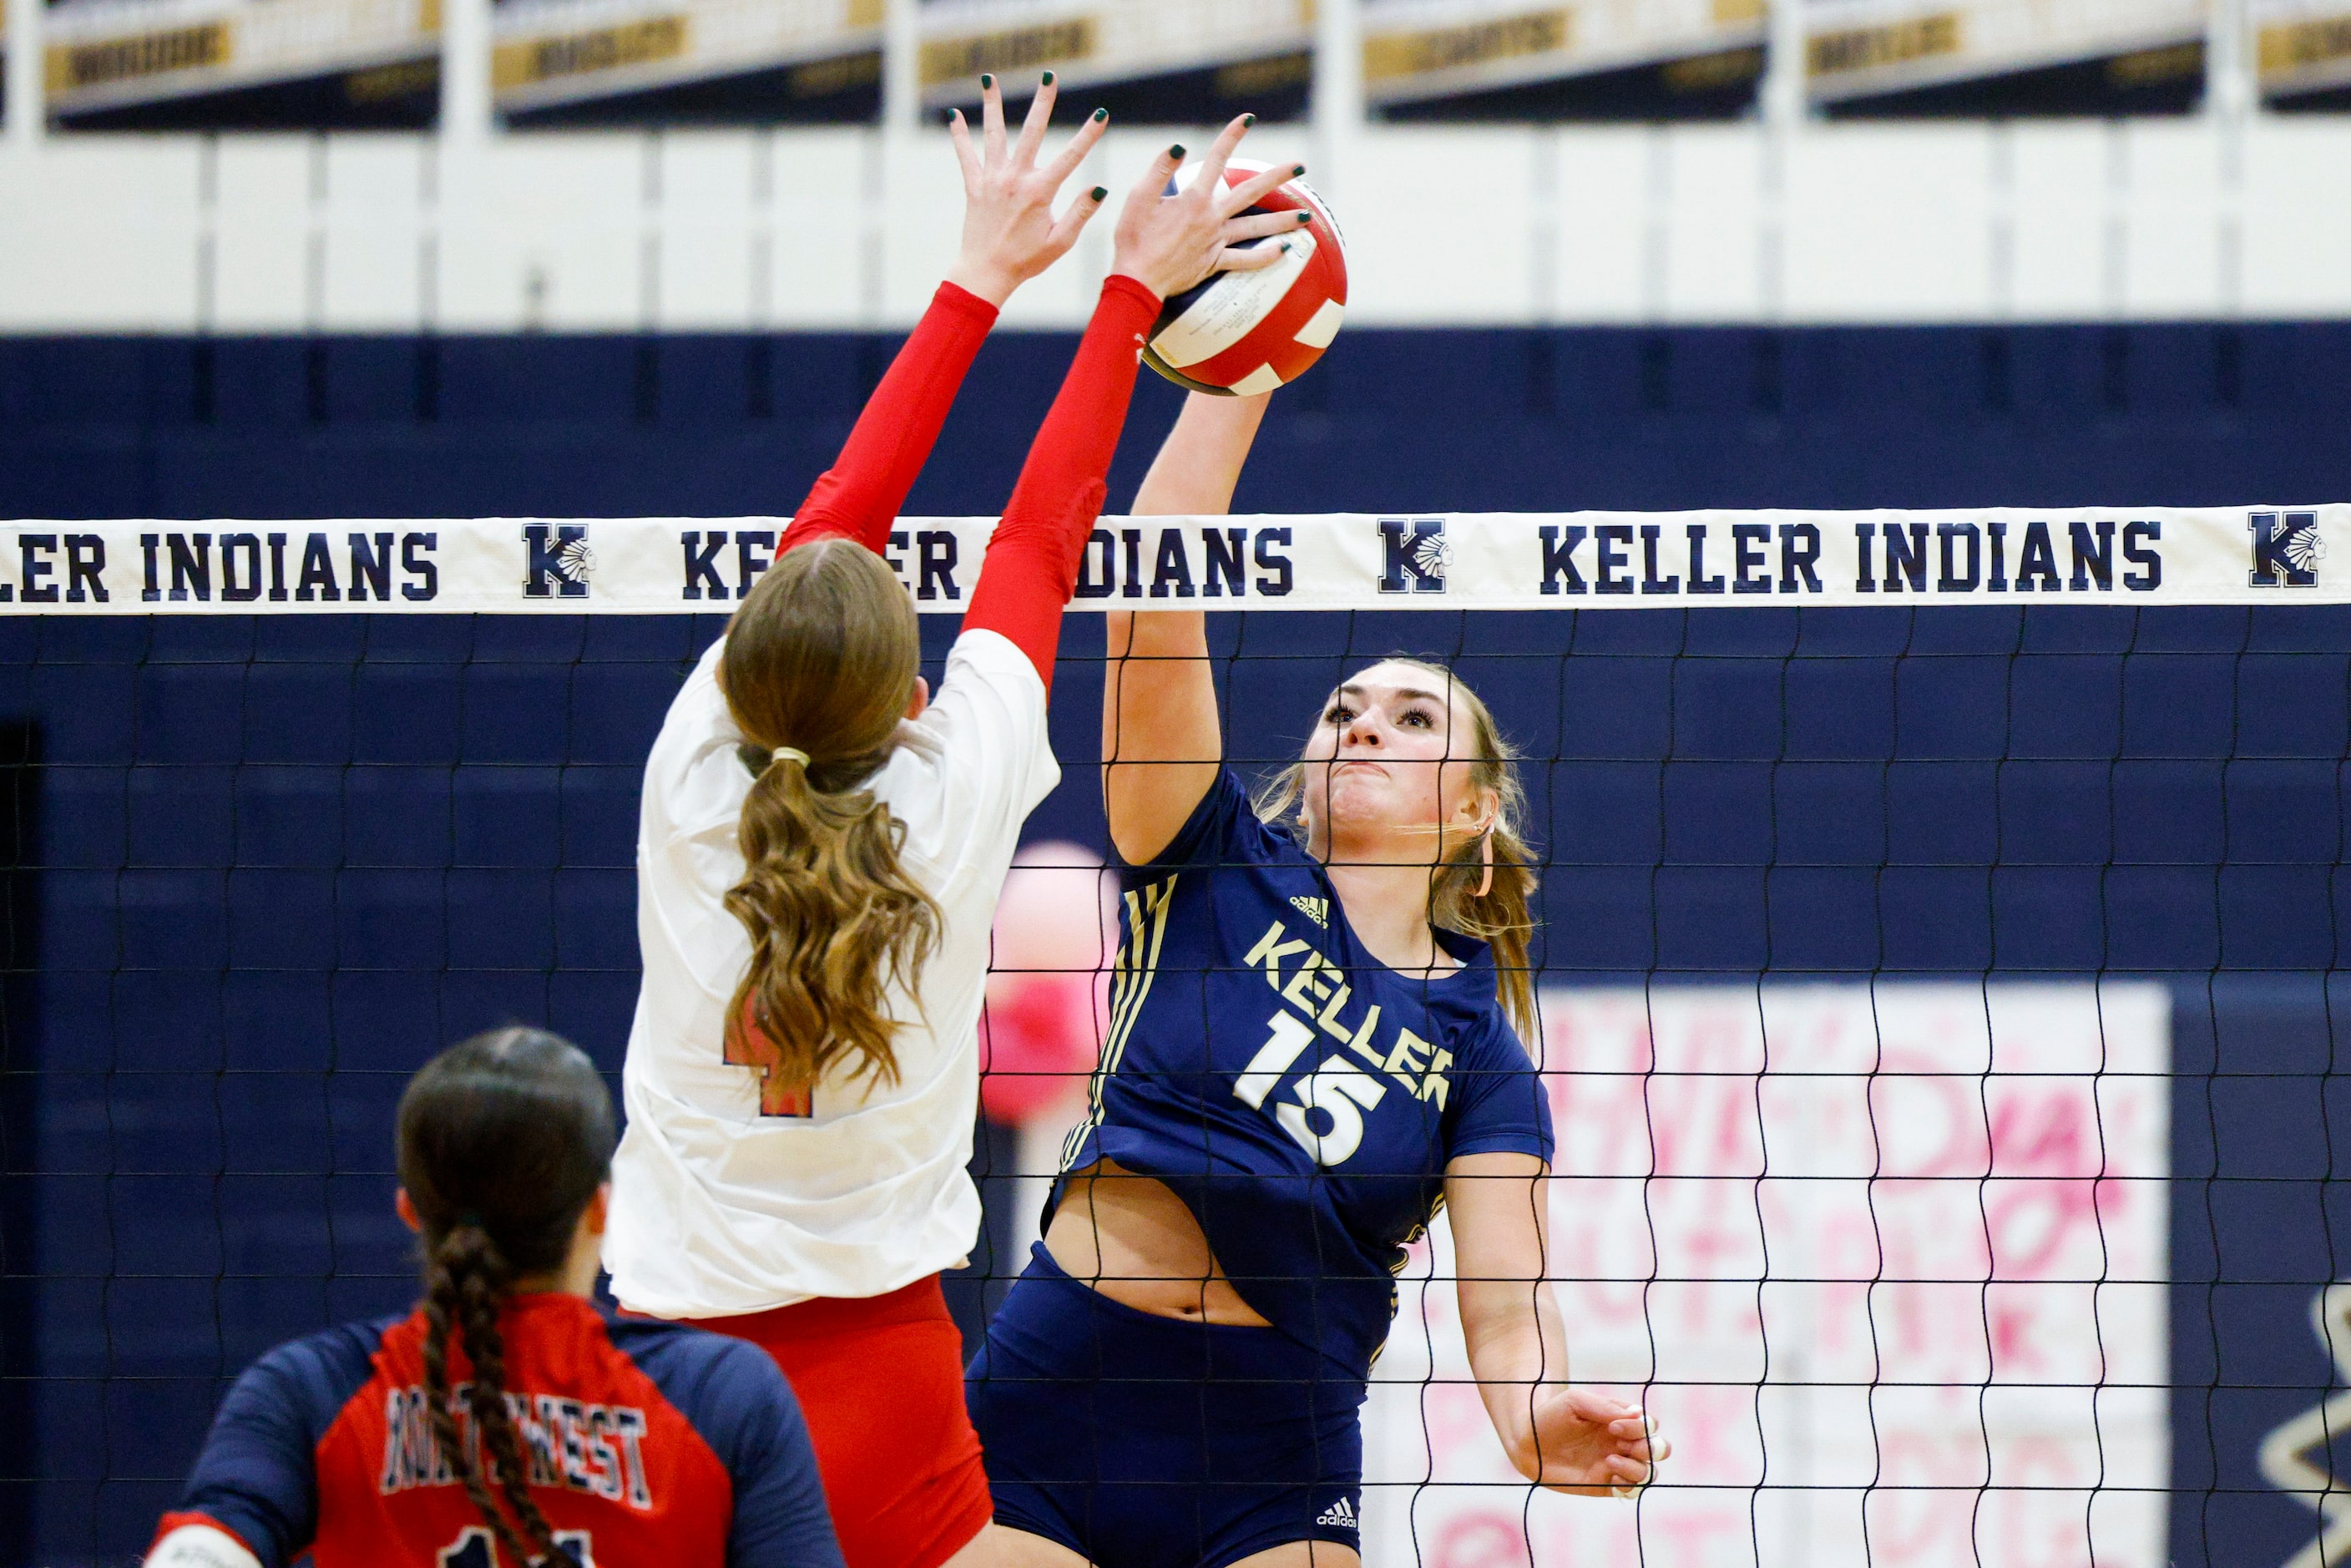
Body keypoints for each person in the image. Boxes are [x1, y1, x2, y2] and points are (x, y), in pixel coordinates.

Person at [599, 76, 1312, 1568]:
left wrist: (977, 273)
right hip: (881, 1374)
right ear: (908, 683)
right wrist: (1126, 292)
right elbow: (1042, 534)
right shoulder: (957, 784)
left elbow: (835, 514)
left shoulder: (693, 766)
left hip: (667, 1361)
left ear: (743, 669)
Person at [963, 391, 1674, 1568]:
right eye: (1343, 710)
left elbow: (1506, 1305)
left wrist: (1531, 1408)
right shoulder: (1210, 856)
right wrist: (1233, 379)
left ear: (1473, 810)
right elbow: (1154, 588)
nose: (1363, 727)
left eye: (1410, 718)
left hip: (1273, 1448)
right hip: (1062, 1385)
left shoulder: (1479, 1047)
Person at [144, 1027, 841, 1568]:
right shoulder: (722, 1394)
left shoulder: (310, 1390)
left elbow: (213, 1541)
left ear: (411, 1212)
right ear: (601, 1209)